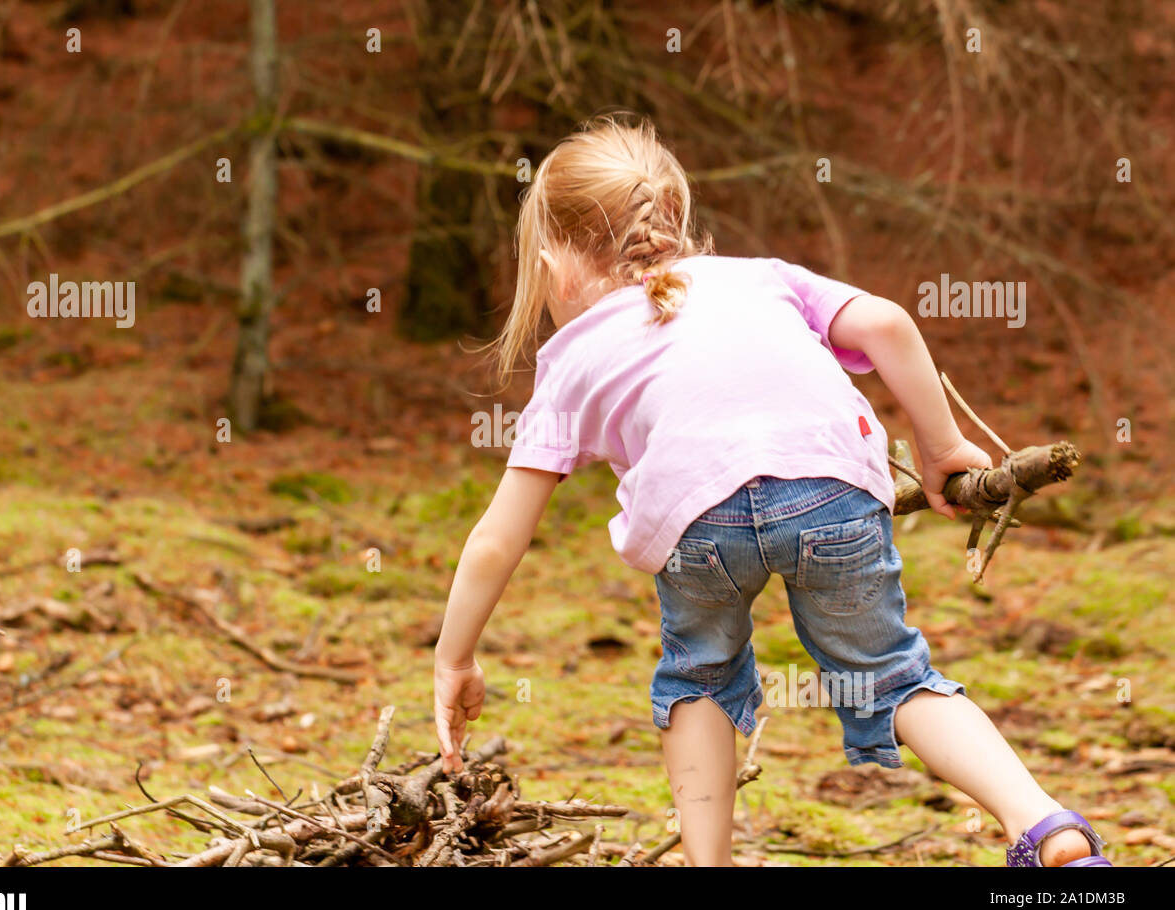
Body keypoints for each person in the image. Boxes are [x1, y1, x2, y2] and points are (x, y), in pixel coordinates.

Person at [431, 115, 1111, 868]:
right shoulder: (762, 277)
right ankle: (1047, 827)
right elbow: (886, 322)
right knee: (894, 679)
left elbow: (500, 536)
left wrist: (452, 659)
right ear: (673, 218)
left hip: (699, 527)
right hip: (833, 494)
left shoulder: (572, 357)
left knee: (700, 676)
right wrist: (941, 445)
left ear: (555, 267)